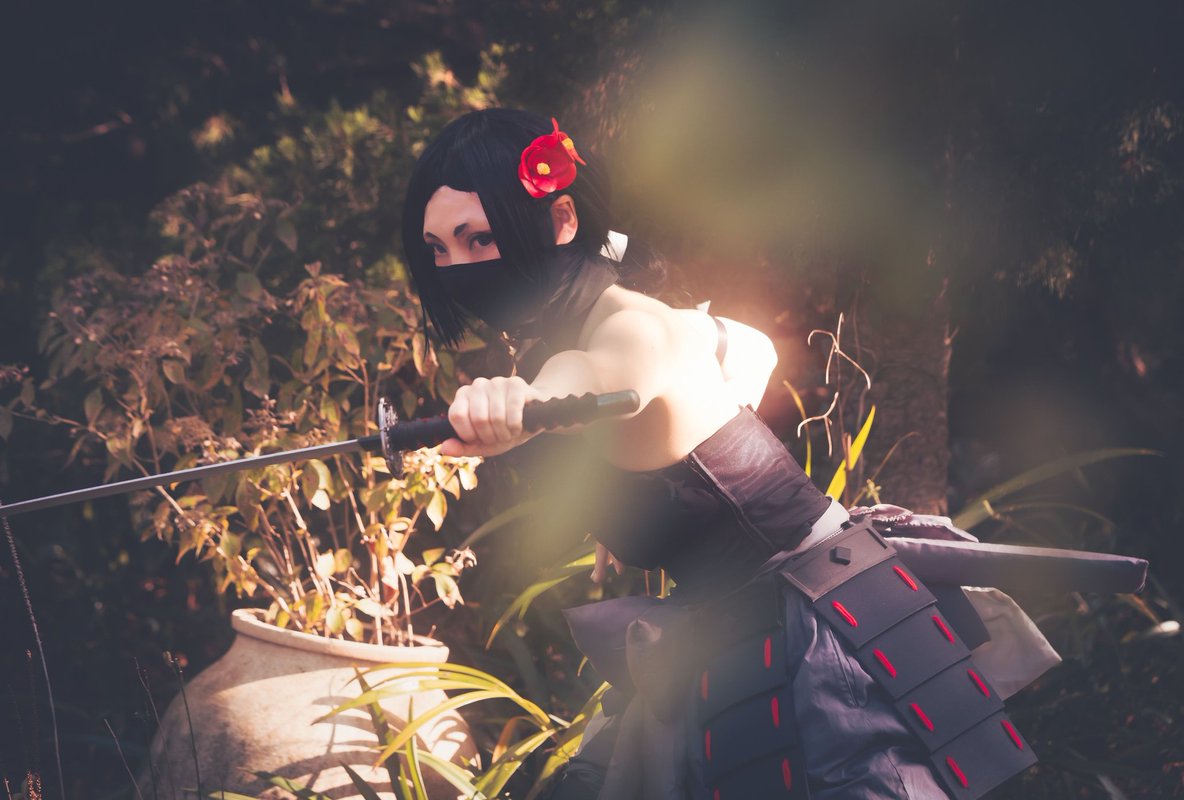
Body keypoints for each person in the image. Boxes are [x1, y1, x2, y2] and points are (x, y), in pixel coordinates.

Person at [401, 108, 1148, 799]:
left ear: (561, 219)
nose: (458, 267)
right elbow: (748, 347)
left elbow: (591, 379)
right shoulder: (640, 325)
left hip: (812, 630)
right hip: (731, 623)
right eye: (439, 249)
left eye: (478, 239)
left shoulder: (624, 332)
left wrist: (516, 404)